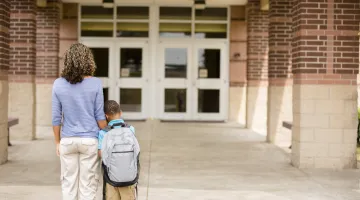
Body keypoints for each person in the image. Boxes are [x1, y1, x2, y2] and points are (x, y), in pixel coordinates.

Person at [52, 43, 107, 200]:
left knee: (68, 186)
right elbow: (99, 117)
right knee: (88, 187)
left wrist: (57, 142)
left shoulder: (58, 84)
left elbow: (56, 118)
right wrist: (108, 134)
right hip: (90, 141)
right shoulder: (96, 83)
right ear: (88, 60)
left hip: (67, 141)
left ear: (67, 60)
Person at [98, 100, 137, 200]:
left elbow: (100, 154)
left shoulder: (103, 133)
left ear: (106, 116)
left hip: (111, 179)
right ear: (121, 112)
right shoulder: (130, 129)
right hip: (129, 178)